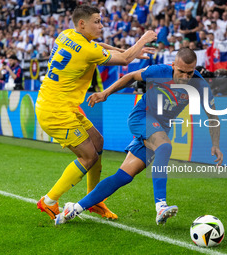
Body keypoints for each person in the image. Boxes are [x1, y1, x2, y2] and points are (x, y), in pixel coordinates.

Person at [54, 48, 223, 226]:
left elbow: (212, 115)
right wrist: (105, 93)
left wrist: (216, 144)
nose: (185, 77)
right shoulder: (159, 71)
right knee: (165, 147)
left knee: (124, 176)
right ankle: (161, 206)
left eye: (190, 73)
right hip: (141, 117)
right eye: (181, 71)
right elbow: (131, 76)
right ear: (173, 65)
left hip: (160, 128)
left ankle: (74, 208)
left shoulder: (200, 85)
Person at [35, 5, 157, 221]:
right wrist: (143, 39)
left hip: (61, 104)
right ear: (82, 24)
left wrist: (128, 50)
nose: (101, 25)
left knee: (97, 142)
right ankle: (49, 201)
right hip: (56, 110)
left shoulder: (67, 35)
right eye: (97, 22)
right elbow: (126, 60)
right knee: (88, 156)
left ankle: (94, 200)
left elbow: (97, 45)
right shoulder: (86, 49)